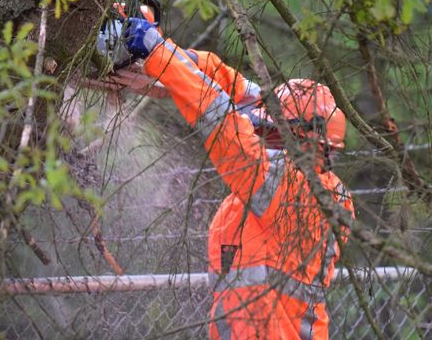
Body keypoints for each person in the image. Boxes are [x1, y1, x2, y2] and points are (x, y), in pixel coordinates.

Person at [124, 18, 355, 340]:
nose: (262, 134)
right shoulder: (313, 186)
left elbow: (221, 119)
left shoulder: (291, 188)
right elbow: (243, 93)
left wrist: (160, 53)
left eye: (272, 132)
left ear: (303, 141)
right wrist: (174, 55)